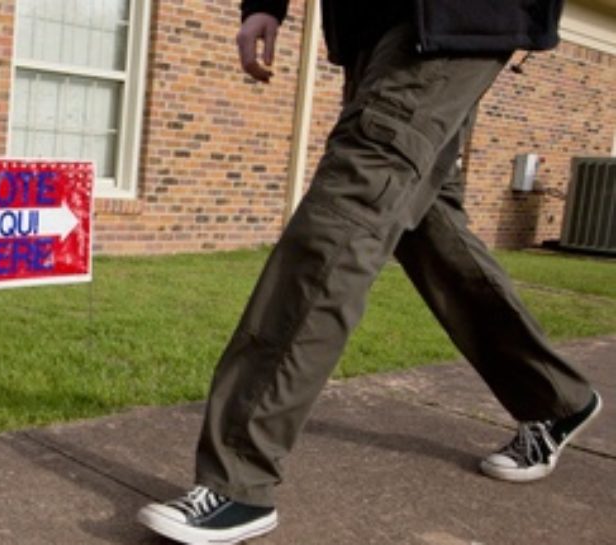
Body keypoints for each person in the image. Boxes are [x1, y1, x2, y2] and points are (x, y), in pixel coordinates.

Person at [136, 1, 604, 543]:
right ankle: (555, 398)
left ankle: (239, 478)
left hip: (454, 12)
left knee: (349, 206)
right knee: (424, 220)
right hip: (375, 22)